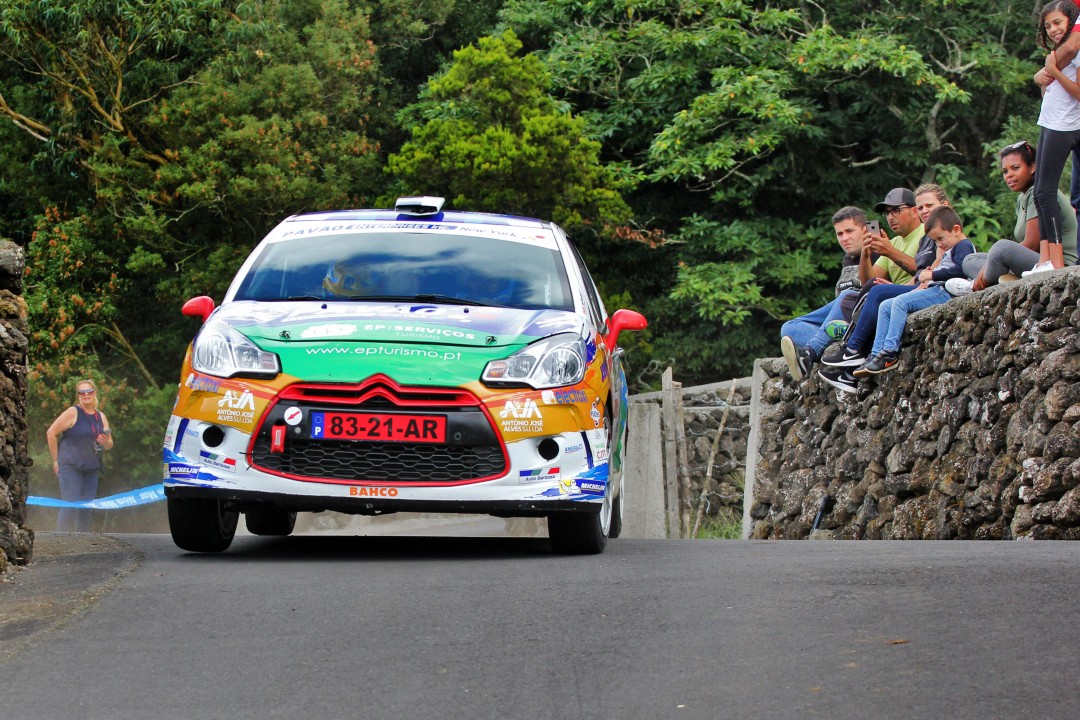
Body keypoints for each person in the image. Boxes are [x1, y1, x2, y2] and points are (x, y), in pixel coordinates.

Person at [817, 186, 941, 391]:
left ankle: (849, 348)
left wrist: (890, 252)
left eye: (896, 210)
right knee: (861, 293)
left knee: (876, 294)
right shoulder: (893, 241)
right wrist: (866, 254)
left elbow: (924, 272)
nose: (891, 217)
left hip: (920, 292)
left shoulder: (926, 233)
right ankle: (848, 369)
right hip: (896, 294)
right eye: (887, 213)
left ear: (914, 211)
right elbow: (869, 280)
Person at [851, 207, 975, 380]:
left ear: (956, 230)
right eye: (935, 241)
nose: (939, 245)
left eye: (940, 239)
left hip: (944, 292)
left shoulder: (963, 245)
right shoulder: (951, 248)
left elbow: (961, 269)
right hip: (934, 288)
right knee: (885, 306)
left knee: (900, 303)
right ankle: (876, 353)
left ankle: (889, 352)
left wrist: (933, 275)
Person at [947, 141, 1078, 295]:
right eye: (1005, 171)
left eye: (1015, 168)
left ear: (1033, 167)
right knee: (970, 260)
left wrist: (991, 263)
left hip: (1058, 263)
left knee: (1001, 248)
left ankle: (975, 286)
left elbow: (1031, 245)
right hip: (1032, 261)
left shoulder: (1039, 193)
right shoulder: (1022, 198)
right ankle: (1003, 278)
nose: (1009, 175)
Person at [779, 206, 873, 380]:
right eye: (840, 234)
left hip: (862, 317)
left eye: (849, 231)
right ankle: (837, 342)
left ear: (865, 230)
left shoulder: (879, 251)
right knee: (789, 328)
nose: (844, 238)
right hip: (841, 319)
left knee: (847, 295)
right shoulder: (847, 259)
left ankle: (810, 352)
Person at [1030, 0, 1080, 274]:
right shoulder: (1058, 53)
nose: (1052, 29)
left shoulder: (1074, 50)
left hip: (1064, 125)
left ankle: (1057, 262)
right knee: (1039, 192)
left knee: (1046, 191)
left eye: (1057, 23)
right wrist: (1046, 75)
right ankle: (1045, 260)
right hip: (1051, 121)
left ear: (1071, 21)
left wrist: (1054, 70)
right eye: (1048, 26)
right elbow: (1050, 92)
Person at [46, 379, 114, 532]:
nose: (86, 395)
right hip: (70, 466)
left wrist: (105, 442)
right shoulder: (73, 412)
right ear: (78, 396)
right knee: (70, 504)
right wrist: (55, 460)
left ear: (94, 393)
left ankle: (83, 541)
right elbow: (51, 433)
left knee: (86, 508)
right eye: (82, 393)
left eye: (89, 391)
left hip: (91, 468)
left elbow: (110, 444)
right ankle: (61, 540)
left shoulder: (101, 416)